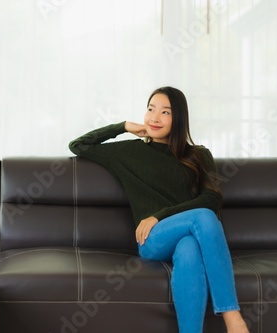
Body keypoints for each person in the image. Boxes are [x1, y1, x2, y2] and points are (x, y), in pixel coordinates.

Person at [68, 86, 249, 333]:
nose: (154, 117)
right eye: (151, 109)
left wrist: (158, 215)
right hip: (152, 239)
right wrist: (123, 127)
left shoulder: (198, 155)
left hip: (180, 233)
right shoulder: (128, 152)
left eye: (165, 112)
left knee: (190, 248)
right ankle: (233, 319)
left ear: (179, 119)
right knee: (203, 219)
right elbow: (79, 145)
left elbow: (211, 199)